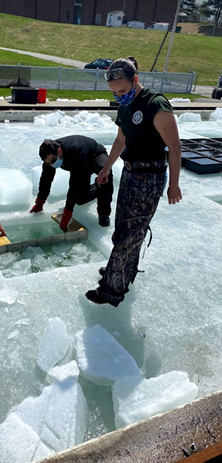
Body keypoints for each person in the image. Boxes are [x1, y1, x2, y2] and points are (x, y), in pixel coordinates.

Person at [86, 57, 182, 307]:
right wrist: (106, 168)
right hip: (129, 175)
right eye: (115, 93)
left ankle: (110, 289)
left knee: (129, 233)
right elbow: (120, 141)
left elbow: (174, 147)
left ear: (135, 80)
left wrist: (174, 184)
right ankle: (121, 271)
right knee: (125, 231)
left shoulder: (155, 104)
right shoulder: (124, 106)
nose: (119, 96)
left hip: (149, 179)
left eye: (123, 90)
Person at [30, 135, 114, 231]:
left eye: (53, 161)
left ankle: (104, 213)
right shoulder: (50, 156)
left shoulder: (76, 151)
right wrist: (40, 200)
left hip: (95, 156)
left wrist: (67, 212)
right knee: (80, 199)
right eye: (49, 163)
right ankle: (97, 187)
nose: (52, 164)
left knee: (105, 177)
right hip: (81, 166)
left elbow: (74, 184)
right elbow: (46, 179)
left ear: (59, 151)